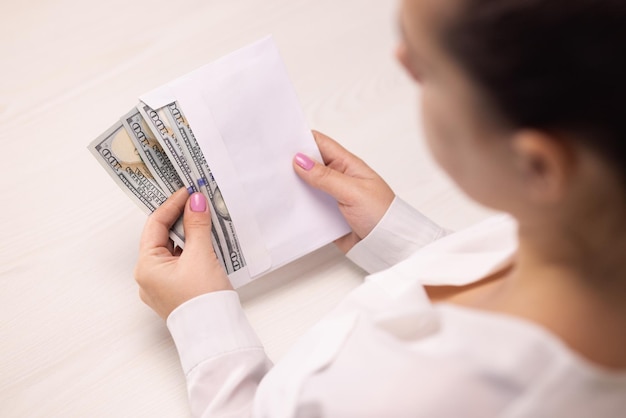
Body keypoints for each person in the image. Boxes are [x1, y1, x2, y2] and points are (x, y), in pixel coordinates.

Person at [134, 0, 626, 416]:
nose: (398, 58)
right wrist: (402, 238)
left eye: (424, 69)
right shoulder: (586, 231)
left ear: (536, 167)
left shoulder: (413, 392)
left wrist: (201, 319)